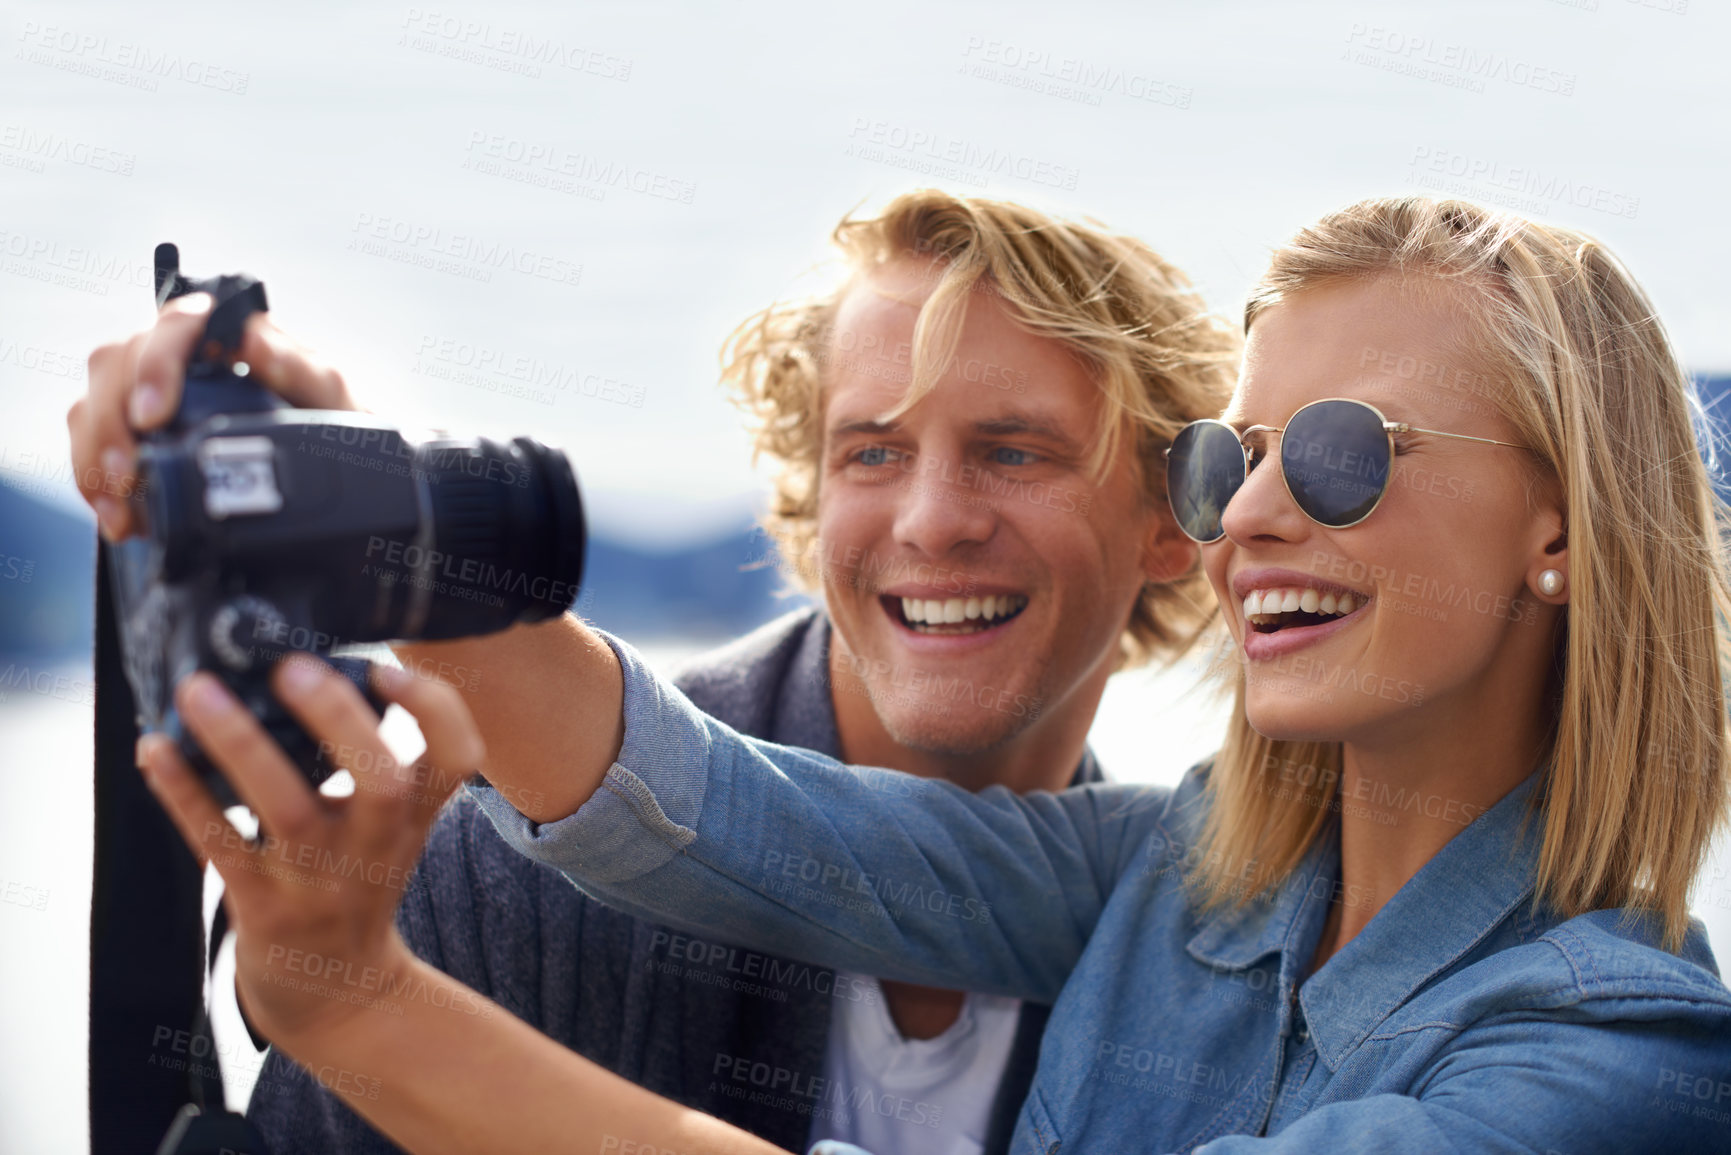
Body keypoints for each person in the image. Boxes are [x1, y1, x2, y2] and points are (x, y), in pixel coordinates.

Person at [117, 193, 1731, 1152]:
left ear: (1567, 532)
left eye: (1335, 452)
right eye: (1226, 459)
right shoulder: (1181, 877)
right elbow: (720, 814)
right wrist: (363, 503)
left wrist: (364, 1011)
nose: (1247, 513)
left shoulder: (1624, 1058)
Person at [70, 190, 1239, 1153]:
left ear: (1171, 522)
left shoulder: (1178, 932)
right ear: (812, 492)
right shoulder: (481, 861)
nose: (934, 521)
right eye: (871, 451)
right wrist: (366, 503)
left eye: (1013, 451)